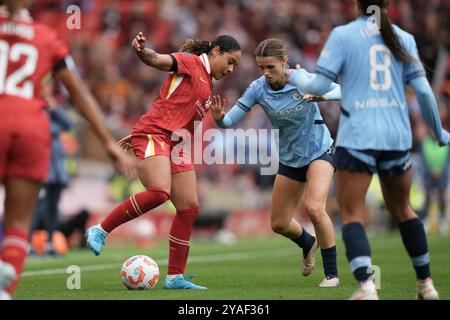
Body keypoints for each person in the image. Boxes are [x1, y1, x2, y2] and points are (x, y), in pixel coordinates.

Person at [298, 0, 447, 299]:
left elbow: (321, 83)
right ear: (387, 6)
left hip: (359, 136)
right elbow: (423, 92)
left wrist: (296, 76)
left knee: (352, 213)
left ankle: (367, 286)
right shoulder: (404, 37)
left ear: (356, 5)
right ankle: (426, 284)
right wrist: (438, 130)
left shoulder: (343, 35)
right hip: (396, 136)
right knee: (404, 210)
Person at [0, 0, 135, 300]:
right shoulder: (46, 37)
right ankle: (5, 291)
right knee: (19, 221)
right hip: (31, 129)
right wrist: (107, 142)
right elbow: (79, 94)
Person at [85, 32, 241, 290]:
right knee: (159, 193)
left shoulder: (208, 83)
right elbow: (157, 59)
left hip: (176, 144)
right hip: (156, 135)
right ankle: (100, 230)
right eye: (230, 61)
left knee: (189, 207)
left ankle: (174, 277)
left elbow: (171, 108)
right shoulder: (191, 62)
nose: (232, 69)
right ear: (215, 51)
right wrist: (141, 51)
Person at [211, 38, 341, 287]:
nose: (266, 73)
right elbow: (228, 122)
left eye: (271, 67)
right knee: (279, 223)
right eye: (261, 68)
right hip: (291, 159)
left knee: (314, 207)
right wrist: (219, 119)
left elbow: (341, 91)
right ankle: (307, 243)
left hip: (319, 151)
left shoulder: (303, 80)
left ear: (284, 62)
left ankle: (332, 274)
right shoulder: (258, 88)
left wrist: (324, 97)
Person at [29, 78, 73, 256]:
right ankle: (29, 243)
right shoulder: (34, 107)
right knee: (37, 206)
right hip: (41, 165)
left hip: (57, 168)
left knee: (53, 207)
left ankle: (49, 242)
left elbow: (68, 125)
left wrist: (53, 106)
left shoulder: (53, 110)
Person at [419, 125, 450, 234]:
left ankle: (442, 220)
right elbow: (423, 159)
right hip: (429, 175)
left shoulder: (444, 141)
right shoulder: (425, 142)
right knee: (427, 196)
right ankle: (425, 220)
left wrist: (440, 170)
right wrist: (431, 171)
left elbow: (447, 160)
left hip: (442, 174)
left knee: (442, 197)